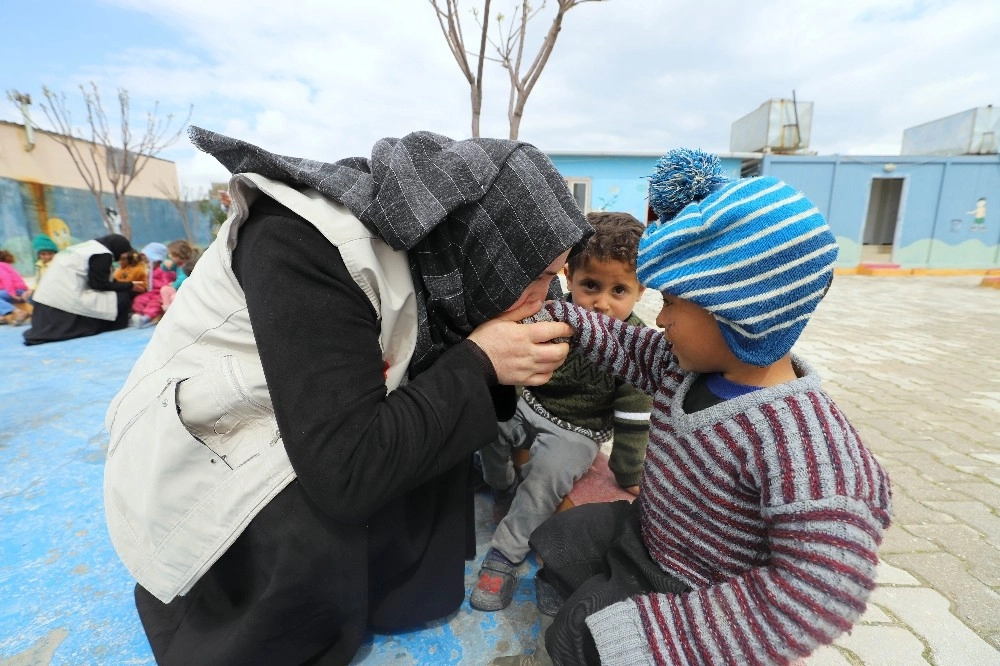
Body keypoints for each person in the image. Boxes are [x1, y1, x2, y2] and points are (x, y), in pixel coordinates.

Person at [103, 127, 593, 666]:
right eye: (539, 276)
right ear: (488, 246)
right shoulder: (302, 241)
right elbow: (343, 466)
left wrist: (489, 364)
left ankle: (383, 588)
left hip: (320, 423)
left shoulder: (437, 255)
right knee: (326, 504)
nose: (543, 298)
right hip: (214, 451)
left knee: (445, 416)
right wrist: (481, 360)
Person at [493, 149, 893, 666]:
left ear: (736, 313)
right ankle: (581, 595)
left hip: (690, 585)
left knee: (581, 634)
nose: (659, 322)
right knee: (560, 537)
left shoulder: (806, 443)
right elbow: (623, 344)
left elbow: (818, 591)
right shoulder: (685, 366)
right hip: (650, 529)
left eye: (673, 303)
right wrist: (550, 314)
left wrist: (666, 635)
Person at [472, 211, 652, 612]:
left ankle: (505, 554)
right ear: (569, 276)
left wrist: (628, 472)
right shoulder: (552, 313)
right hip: (530, 406)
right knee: (481, 423)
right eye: (591, 285)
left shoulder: (636, 345)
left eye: (618, 290)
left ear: (640, 290)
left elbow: (635, 416)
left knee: (546, 478)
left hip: (578, 432)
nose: (602, 304)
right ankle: (500, 483)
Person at [23, 234, 142, 345]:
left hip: (45, 300)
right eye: (123, 253)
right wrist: (129, 285)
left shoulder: (85, 248)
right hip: (64, 300)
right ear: (118, 248)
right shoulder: (102, 254)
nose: (122, 257)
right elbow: (100, 285)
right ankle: (119, 321)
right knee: (122, 297)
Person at [130, 242, 175, 328]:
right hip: (151, 293)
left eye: (148, 260)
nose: (145, 262)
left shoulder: (164, 270)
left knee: (154, 303)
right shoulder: (151, 270)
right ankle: (139, 315)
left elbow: (167, 284)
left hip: (159, 294)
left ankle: (146, 318)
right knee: (139, 299)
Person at [158, 239, 197, 311]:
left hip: (187, 290)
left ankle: (176, 313)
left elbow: (183, 278)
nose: (169, 256)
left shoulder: (188, 265)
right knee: (165, 289)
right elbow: (165, 269)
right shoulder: (178, 264)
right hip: (178, 289)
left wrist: (174, 285)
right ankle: (167, 310)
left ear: (179, 255)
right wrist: (166, 263)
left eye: (171, 255)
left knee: (174, 297)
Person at [0, 249, 30, 325]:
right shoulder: (6, 266)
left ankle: (18, 312)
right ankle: (4, 316)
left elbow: (7, 279)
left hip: (16, 291)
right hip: (19, 290)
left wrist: (12, 294)